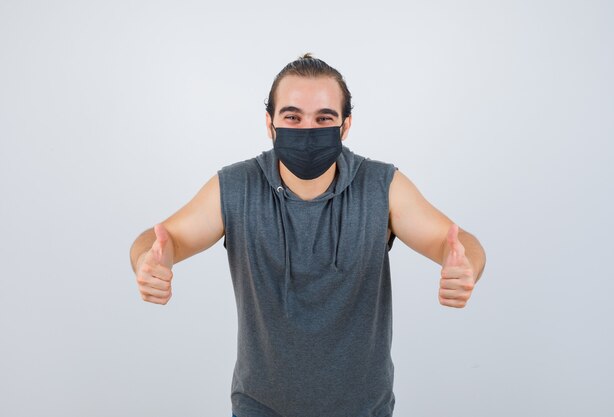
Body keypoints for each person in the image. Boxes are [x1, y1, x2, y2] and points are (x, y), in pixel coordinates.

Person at [129, 53, 486, 417]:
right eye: (293, 117)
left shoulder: (382, 186)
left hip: (363, 409)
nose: (308, 130)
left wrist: (466, 267)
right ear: (270, 123)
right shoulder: (236, 187)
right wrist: (149, 262)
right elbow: (162, 239)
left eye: (324, 118)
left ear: (345, 126)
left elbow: (456, 242)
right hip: (260, 408)